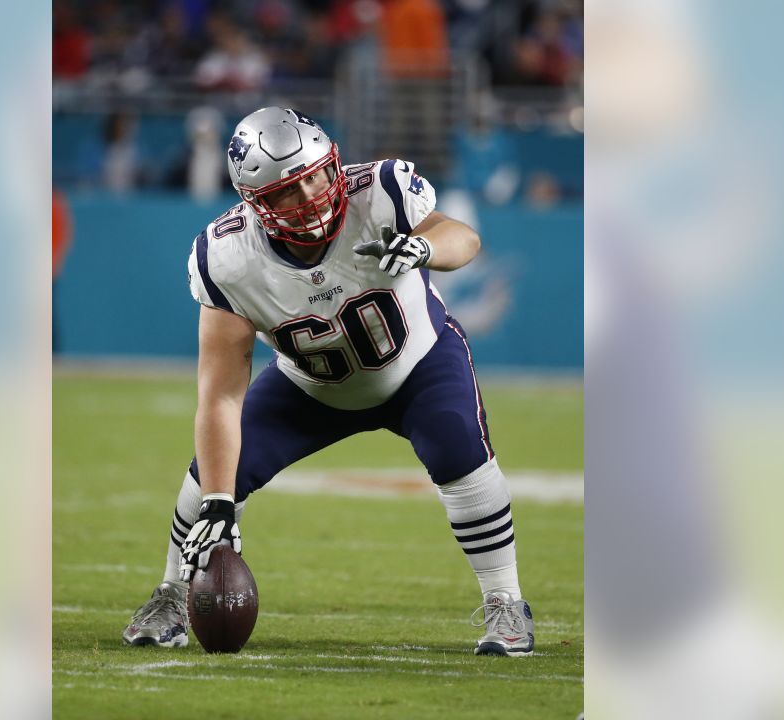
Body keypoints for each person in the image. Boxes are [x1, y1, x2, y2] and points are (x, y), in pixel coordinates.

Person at [122, 107, 535, 657]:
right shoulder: (227, 258)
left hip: (417, 362)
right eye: (290, 190)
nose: (312, 194)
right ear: (256, 203)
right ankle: (173, 592)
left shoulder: (381, 190)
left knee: (459, 446)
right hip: (311, 385)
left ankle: (506, 602)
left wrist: (424, 247)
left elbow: (463, 238)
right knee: (210, 478)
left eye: (317, 174)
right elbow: (221, 392)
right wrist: (222, 501)